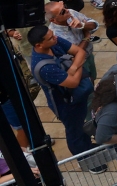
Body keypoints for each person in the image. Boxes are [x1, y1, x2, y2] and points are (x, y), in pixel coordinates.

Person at [28, 24, 94, 156]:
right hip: (64, 103)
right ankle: (85, 158)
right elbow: (73, 82)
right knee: (74, 132)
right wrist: (78, 62)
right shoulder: (44, 67)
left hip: (76, 95)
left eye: (52, 34)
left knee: (81, 124)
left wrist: (74, 67)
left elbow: (80, 52)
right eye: (50, 38)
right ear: (39, 45)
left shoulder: (54, 41)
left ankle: (88, 147)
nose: (55, 38)